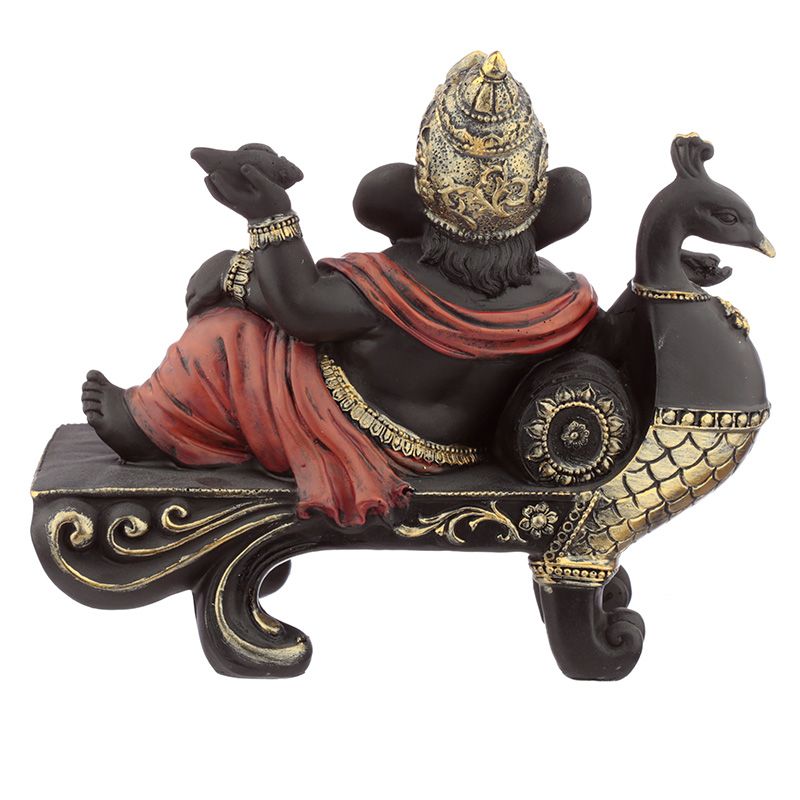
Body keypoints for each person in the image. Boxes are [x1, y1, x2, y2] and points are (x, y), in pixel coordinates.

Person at [82, 51, 598, 527]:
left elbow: (302, 310)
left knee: (227, 337)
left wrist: (260, 230)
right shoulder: (560, 297)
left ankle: (145, 425)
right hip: (464, 444)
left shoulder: (392, 287)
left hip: (357, 428)